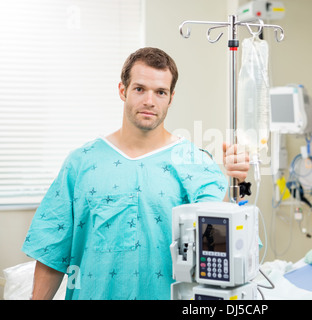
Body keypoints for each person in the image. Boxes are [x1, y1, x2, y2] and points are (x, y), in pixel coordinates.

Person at [22, 47, 249, 300]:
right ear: (123, 90)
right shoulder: (81, 163)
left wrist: (239, 183)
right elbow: (53, 252)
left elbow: (219, 239)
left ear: (171, 98)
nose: (149, 101)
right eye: (140, 89)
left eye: (160, 92)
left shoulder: (194, 163)